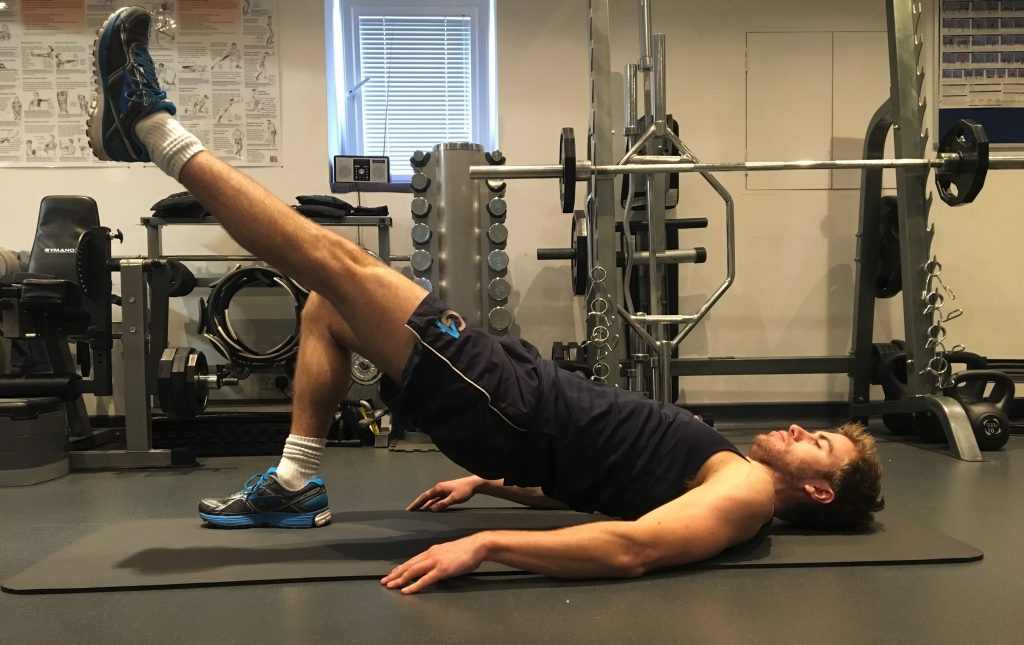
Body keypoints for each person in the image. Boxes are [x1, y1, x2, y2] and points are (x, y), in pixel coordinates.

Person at [88, 7, 885, 594]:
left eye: (818, 443)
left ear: (818, 490)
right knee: (326, 306)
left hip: (509, 397)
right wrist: (494, 486)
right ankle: (296, 482)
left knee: (333, 261)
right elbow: (605, 481)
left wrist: (488, 542)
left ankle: (151, 128)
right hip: (513, 395)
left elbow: (633, 547)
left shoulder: (746, 492)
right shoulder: (729, 471)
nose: (799, 428)